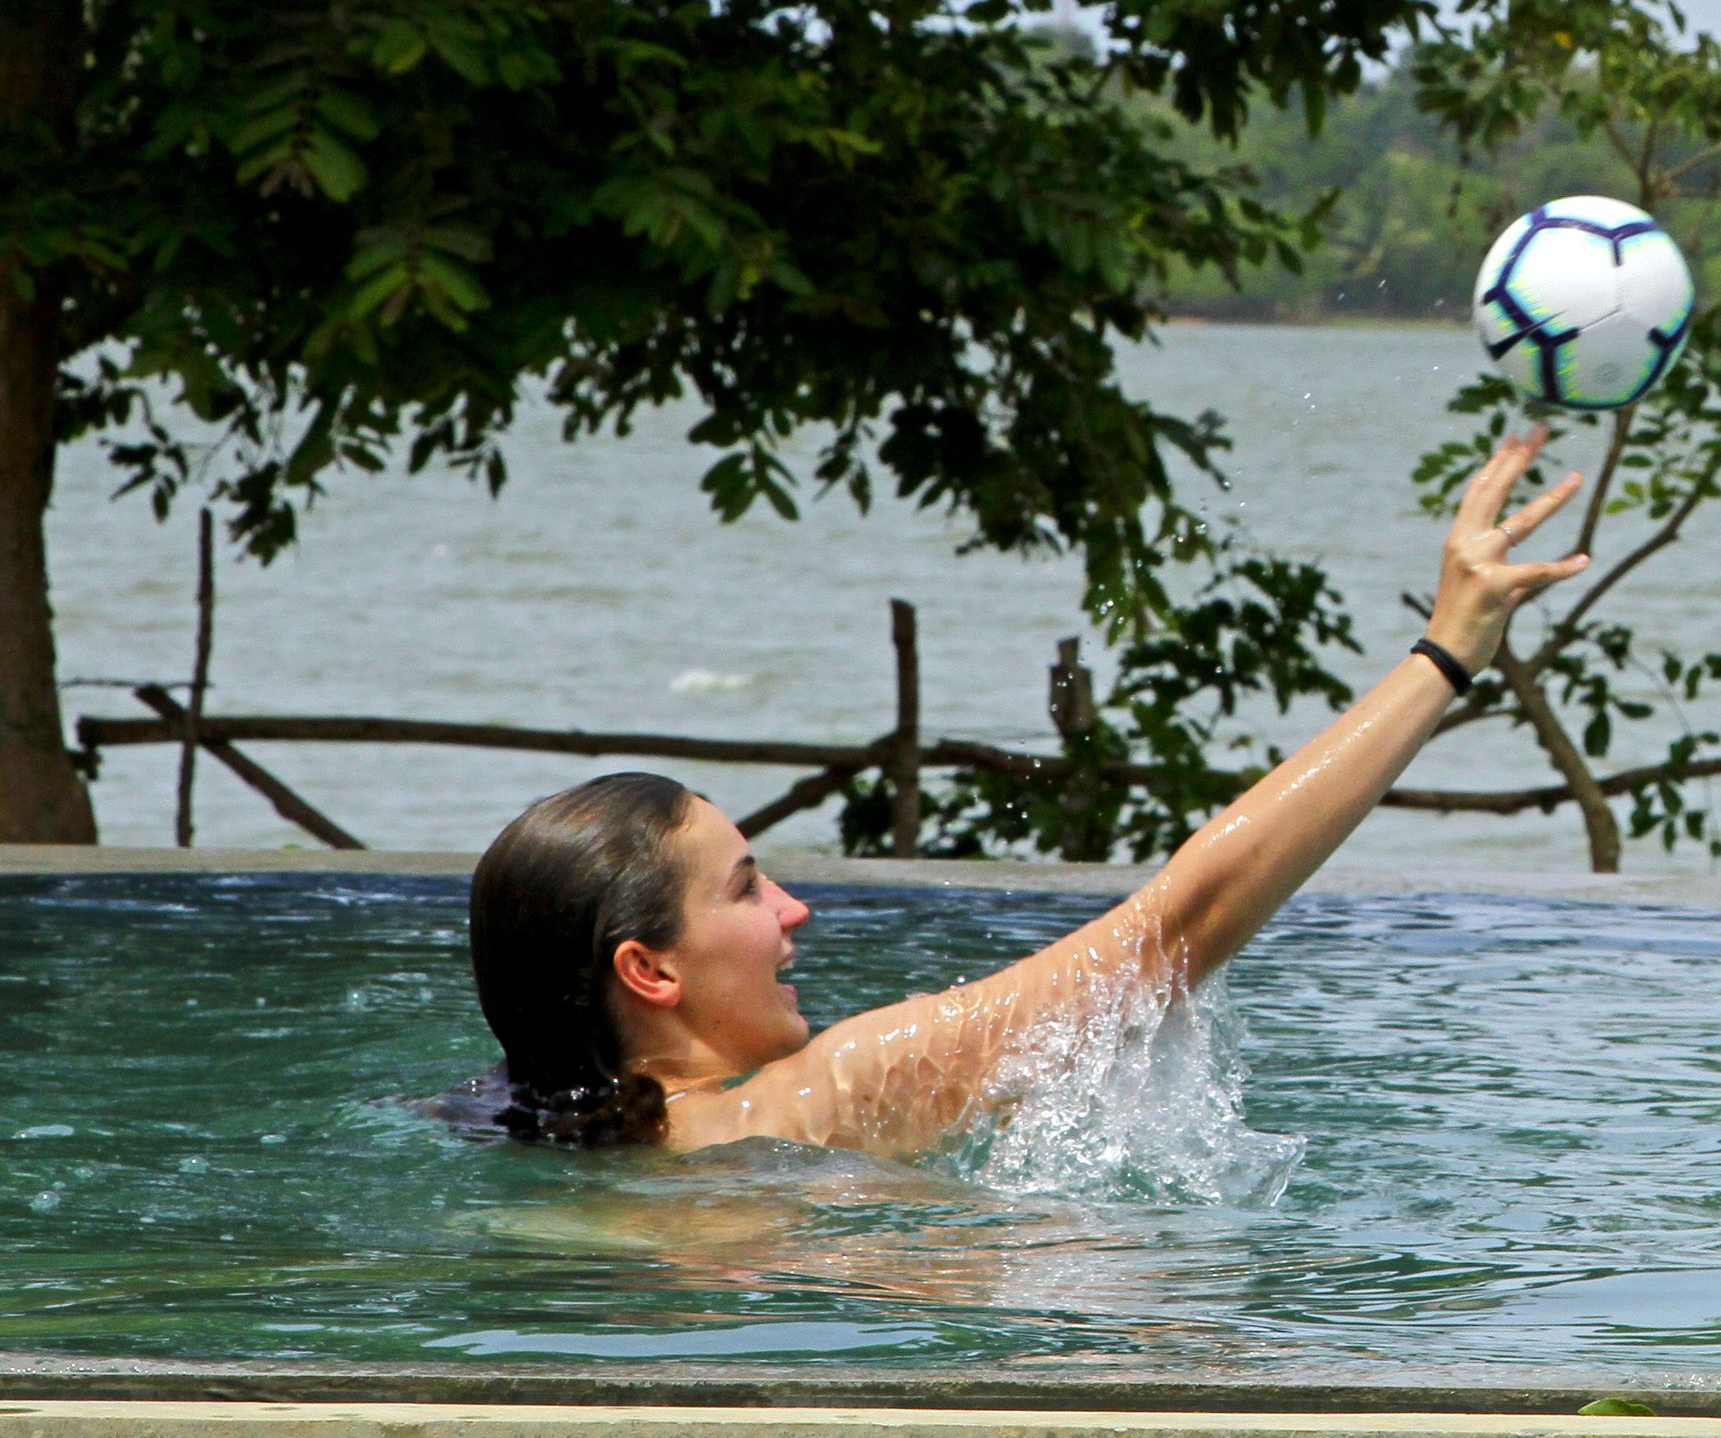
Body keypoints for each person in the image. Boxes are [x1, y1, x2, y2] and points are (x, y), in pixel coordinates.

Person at [463, 427, 1587, 1152]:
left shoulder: (538, 1134)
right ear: (648, 969)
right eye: (748, 887)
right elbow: (1177, 928)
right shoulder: (822, 1095)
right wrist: (1447, 652)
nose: (794, 910)